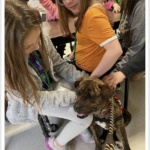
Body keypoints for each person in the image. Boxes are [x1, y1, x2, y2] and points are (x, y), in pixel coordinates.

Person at [5, 1, 95, 150]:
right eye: (28, 46)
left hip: (48, 85)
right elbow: (35, 99)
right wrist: (71, 97)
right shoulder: (8, 71)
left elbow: (59, 65)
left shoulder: (41, 40)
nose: (37, 47)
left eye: (38, 39)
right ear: (10, 48)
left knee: (80, 106)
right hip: (33, 101)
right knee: (86, 118)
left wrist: (83, 80)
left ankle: (78, 127)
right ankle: (55, 144)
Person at [57, 0, 122, 79]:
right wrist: (69, 57)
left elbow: (115, 50)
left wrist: (91, 80)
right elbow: (85, 43)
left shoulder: (92, 15)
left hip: (89, 71)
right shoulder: (85, 11)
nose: (68, 1)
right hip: (82, 64)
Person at [102, 0, 145, 89]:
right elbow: (122, 34)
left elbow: (137, 48)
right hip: (125, 50)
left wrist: (117, 71)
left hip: (135, 57)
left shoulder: (142, 6)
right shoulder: (127, 3)